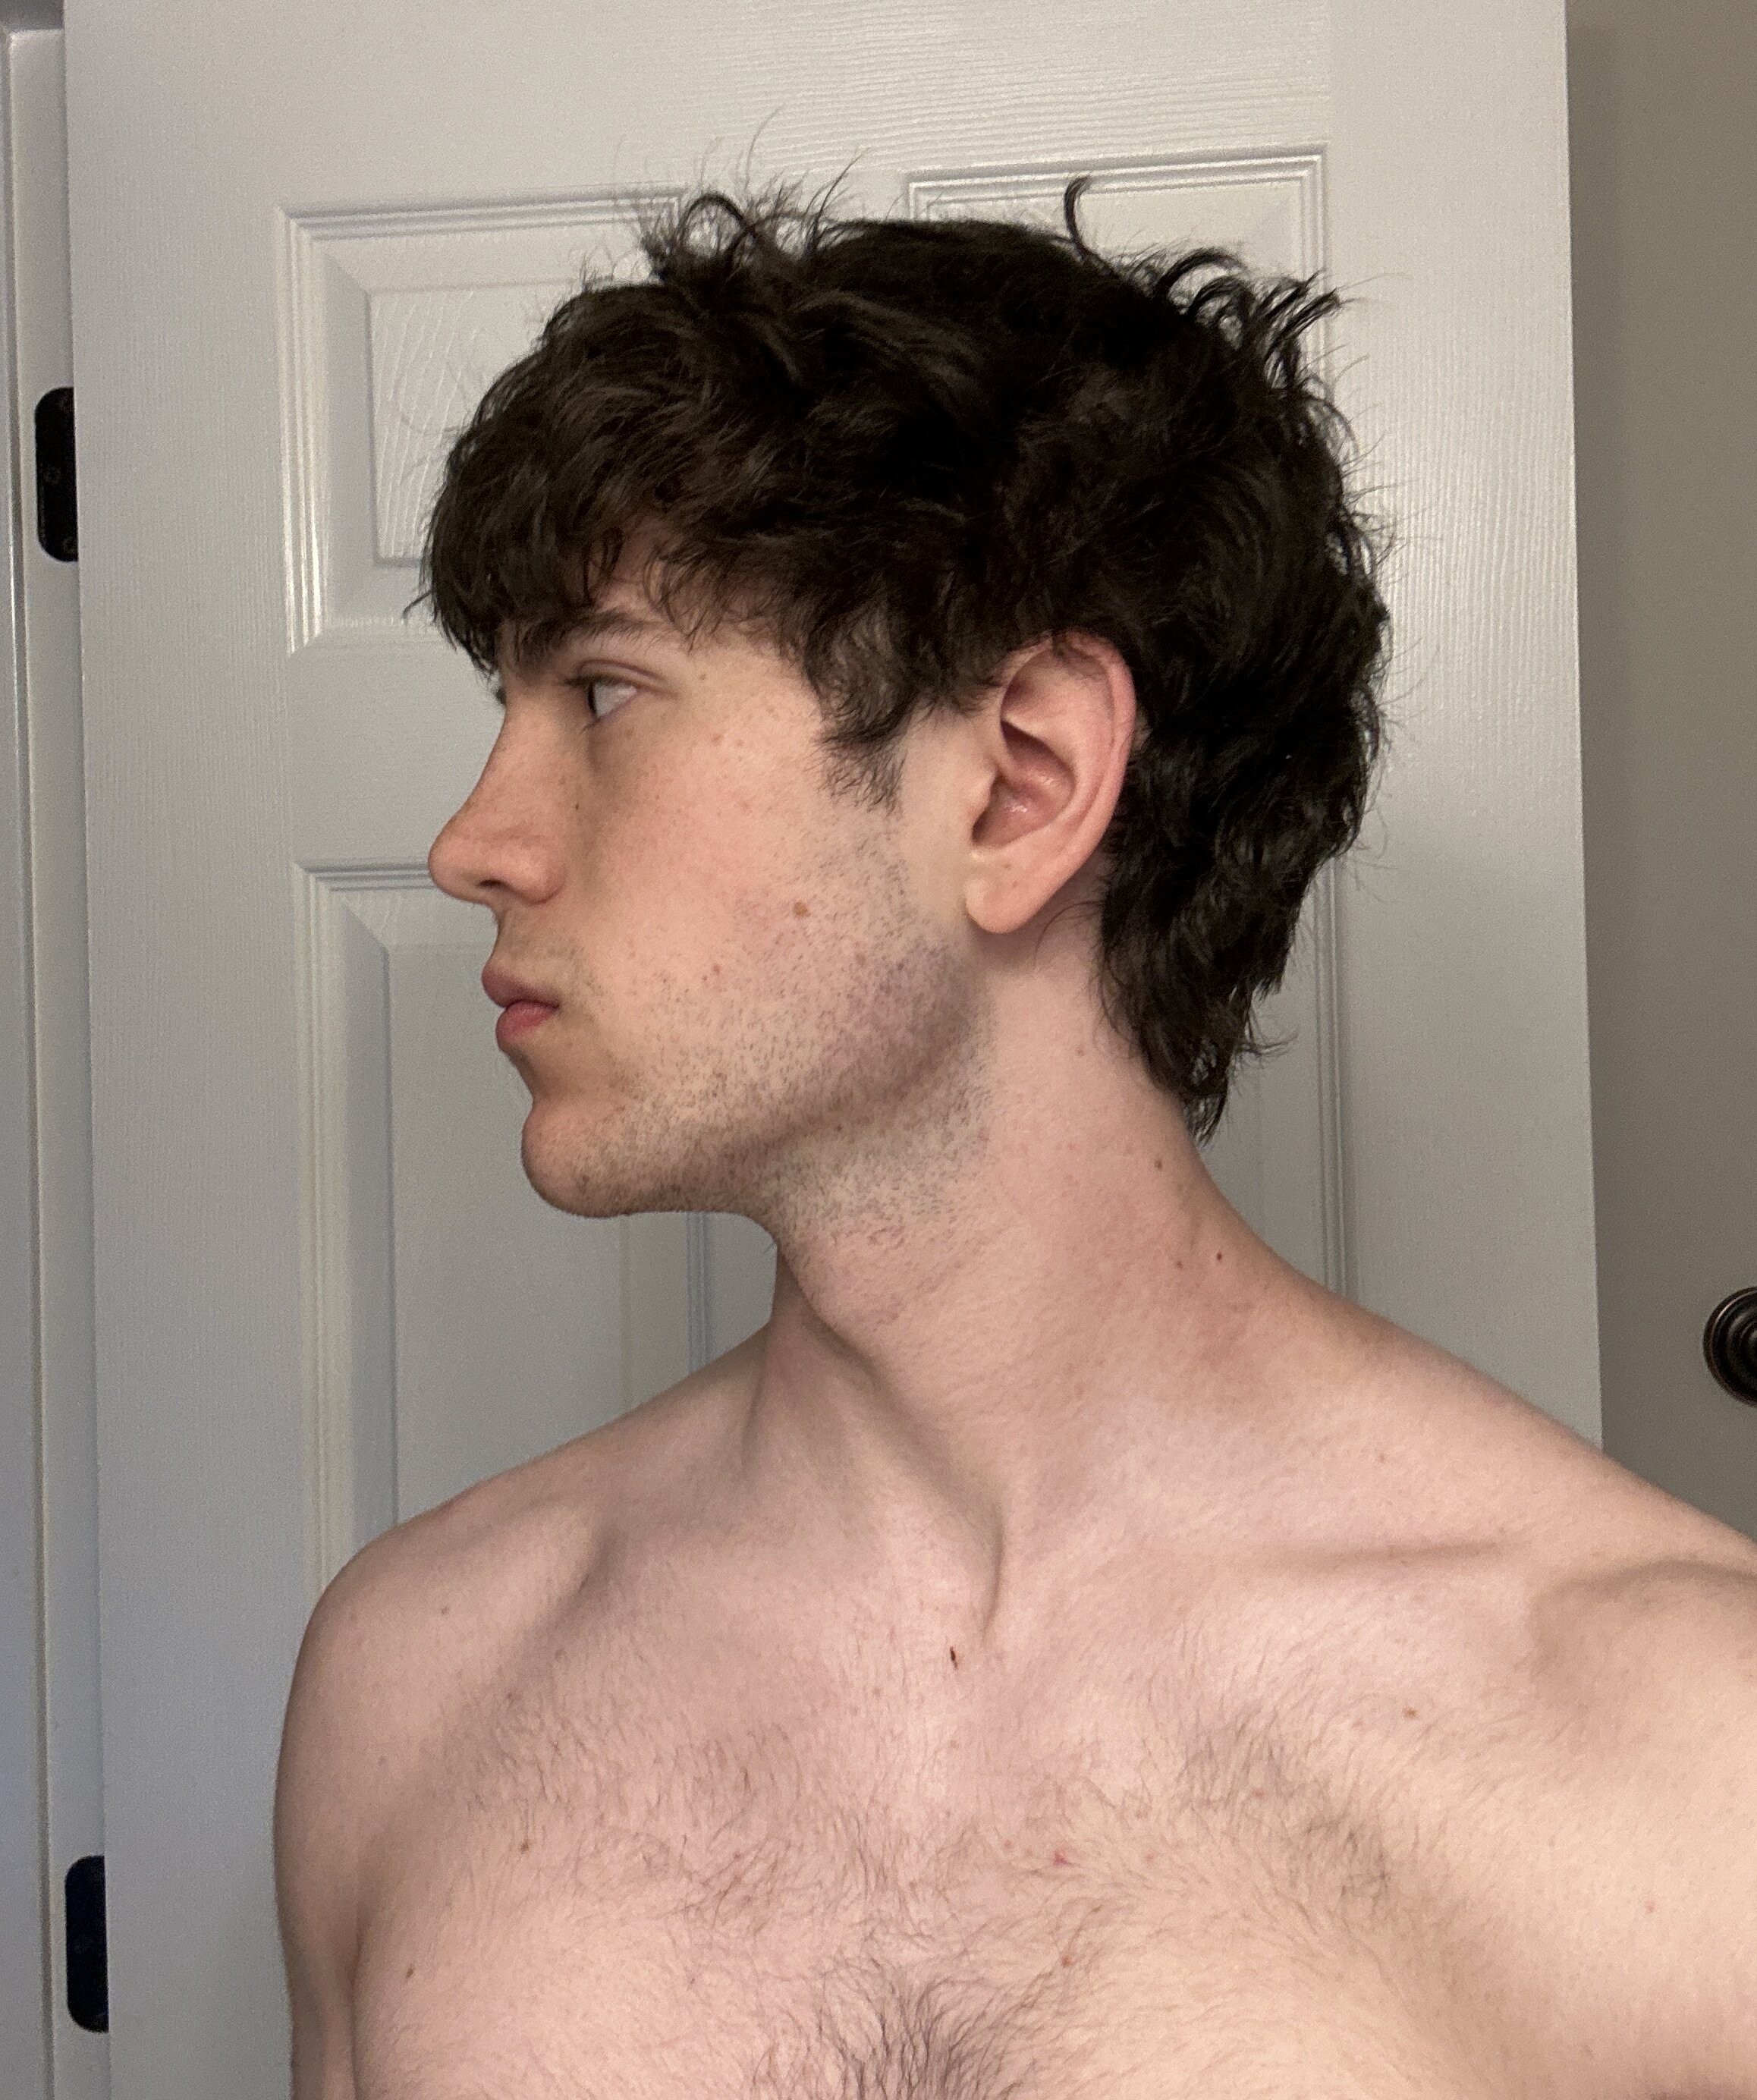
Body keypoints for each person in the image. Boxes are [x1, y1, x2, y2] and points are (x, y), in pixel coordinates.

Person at [273, 185, 1757, 2098]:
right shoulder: (414, 1687)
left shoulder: (1684, 1763)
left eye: (608, 690)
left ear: (1023, 784)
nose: (473, 841)